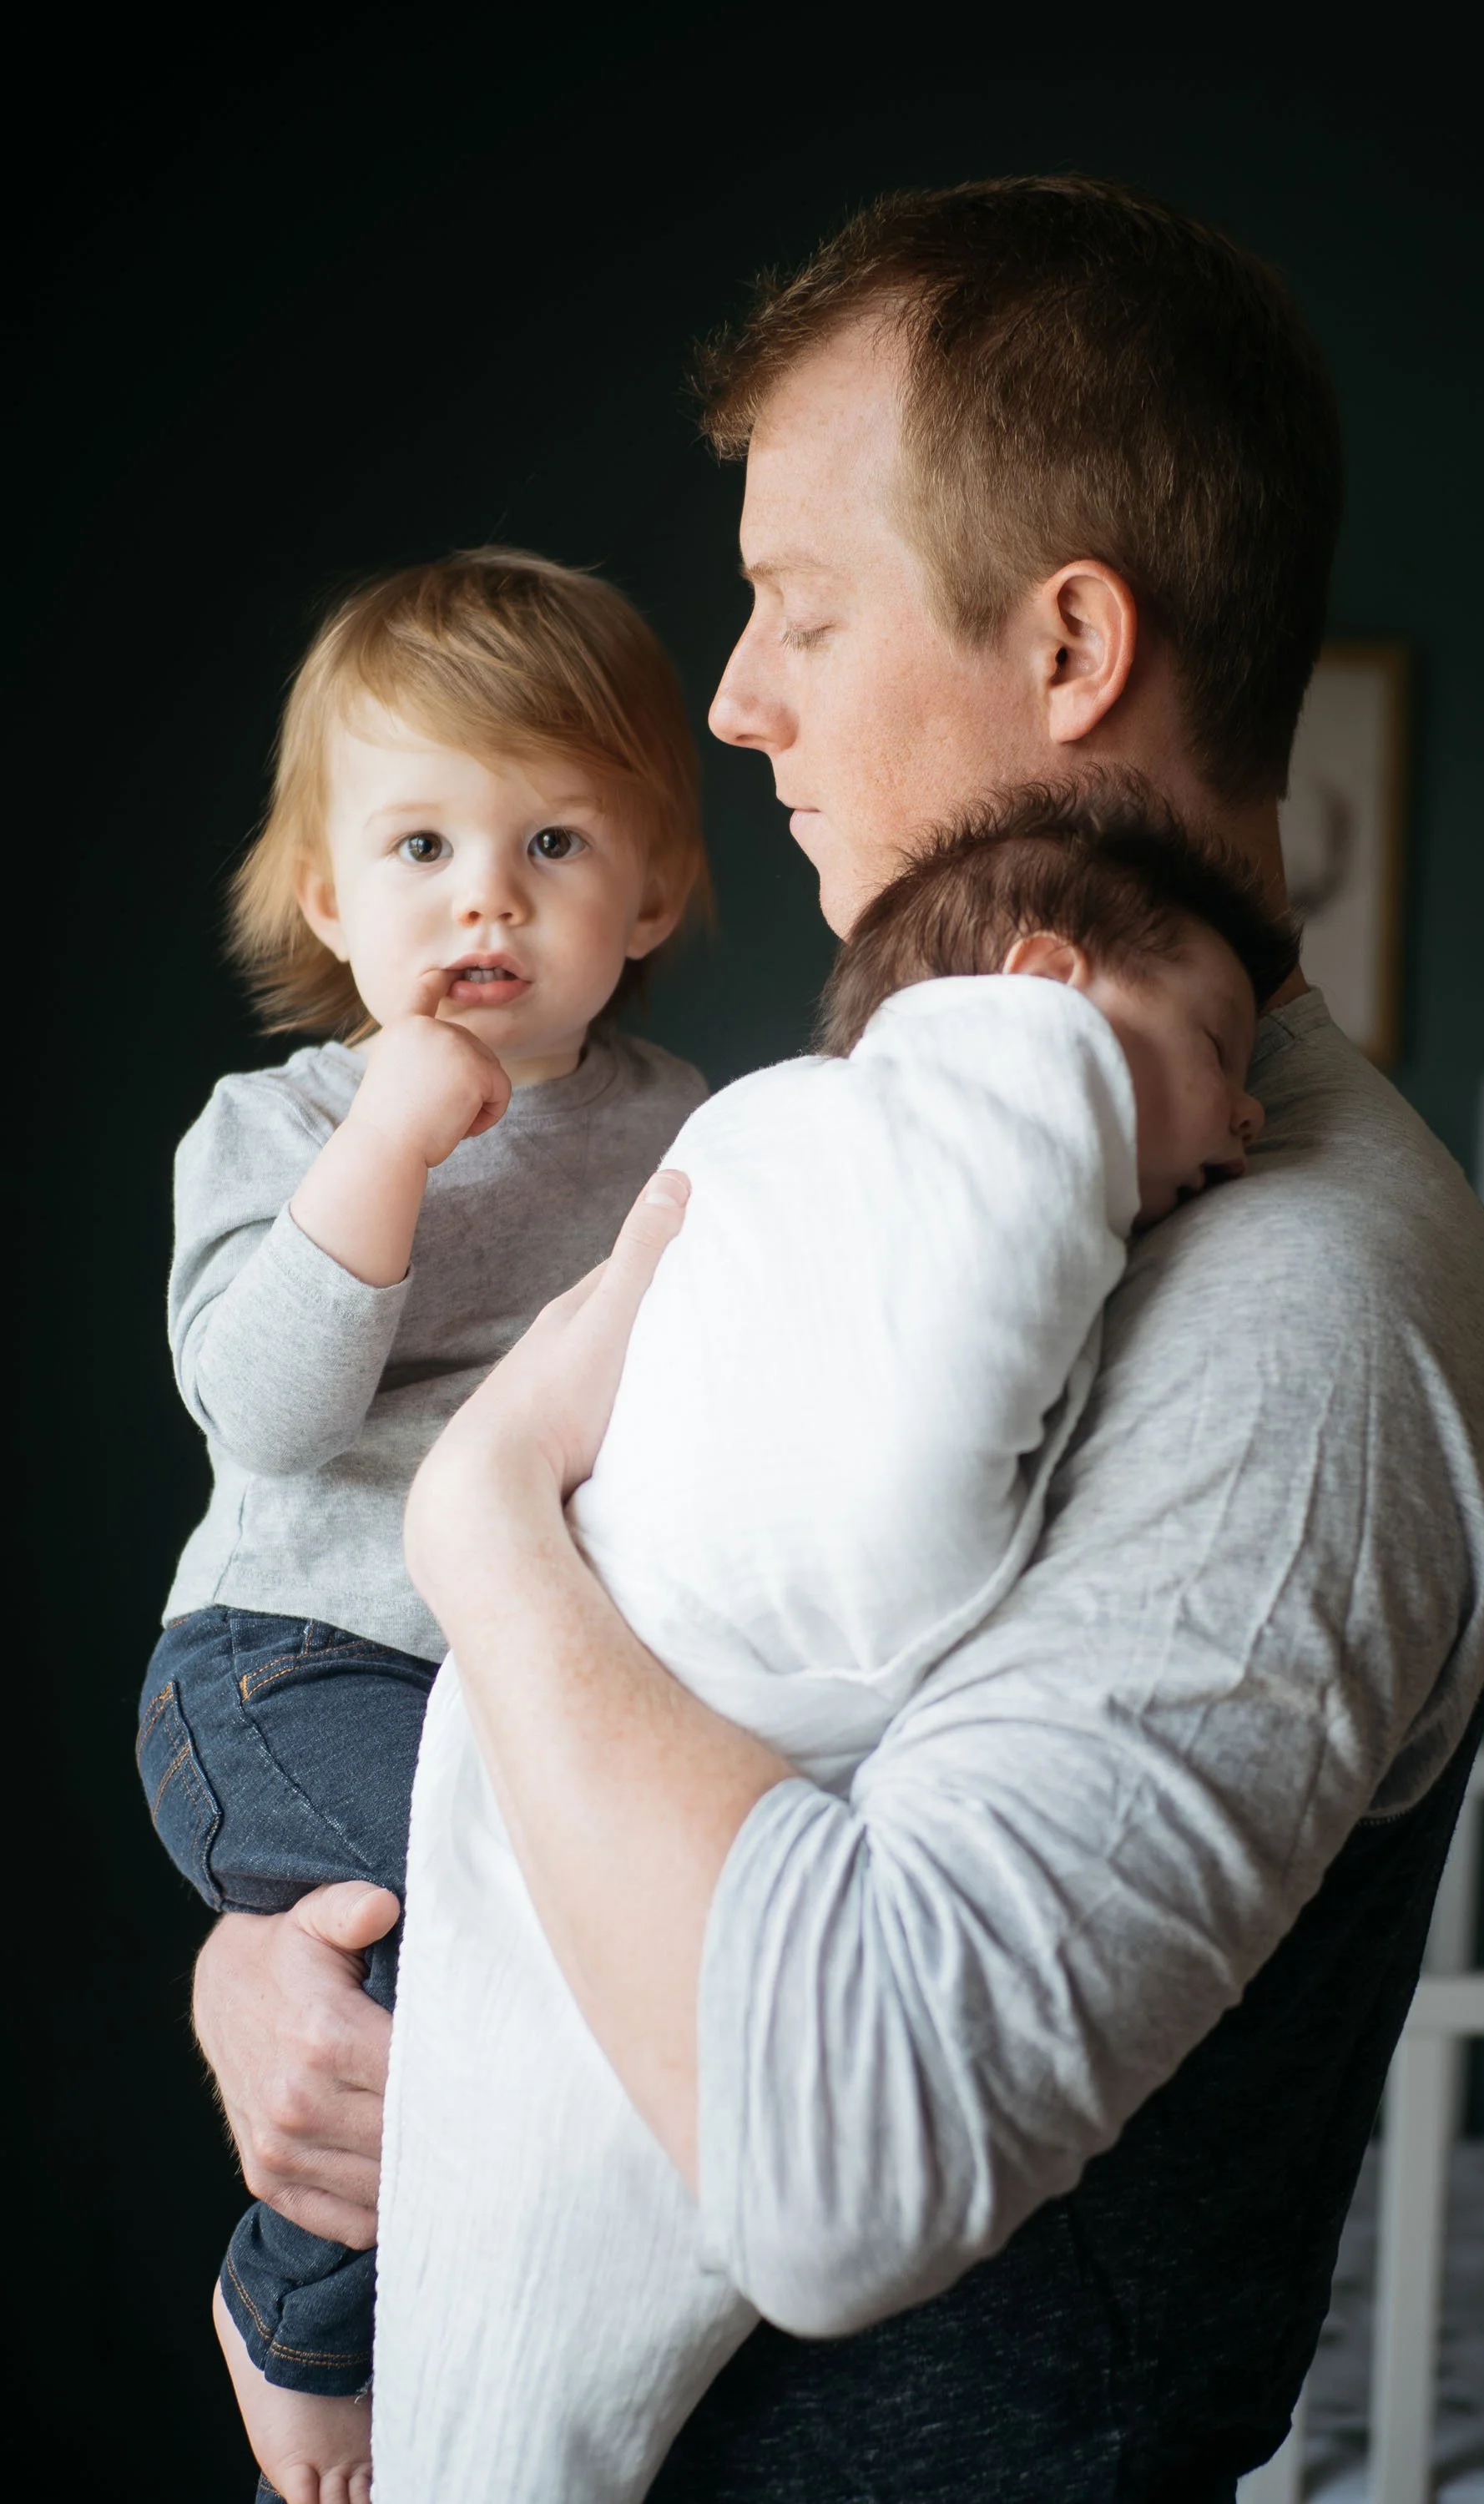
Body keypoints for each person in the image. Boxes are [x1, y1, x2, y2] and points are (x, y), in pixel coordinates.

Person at [191, 178, 1484, 2502]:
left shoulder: (1310, 1295)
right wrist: (299, 1997)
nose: (734, 701)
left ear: (1073, 648)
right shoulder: (892, 1164)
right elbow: (650, 1754)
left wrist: (487, 1521)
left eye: (800, 608)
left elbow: (840, 2146)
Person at [373, 787, 1300, 2501]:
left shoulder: (783, 1130)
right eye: (1219, 1045)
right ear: (1039, 989)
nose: (1250, 1116)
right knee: (520, 2347)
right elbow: (881, 1531)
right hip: (685, 1696)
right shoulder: (995, 1092)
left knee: (487, 2336)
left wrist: (484, 1517)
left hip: (552, 1696)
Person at [135, 548, 708, 2504]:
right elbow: (271, 1418)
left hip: (525, 1678)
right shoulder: (278, 1128)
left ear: (651, 893)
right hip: (287, 1666)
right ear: (325, 896)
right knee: (505, 1916)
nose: (486, 896)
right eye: (421, 845)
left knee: (567, 1958)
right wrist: (395, 1133)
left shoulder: (690, 1129)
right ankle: (290, 2307)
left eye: (553, 839)